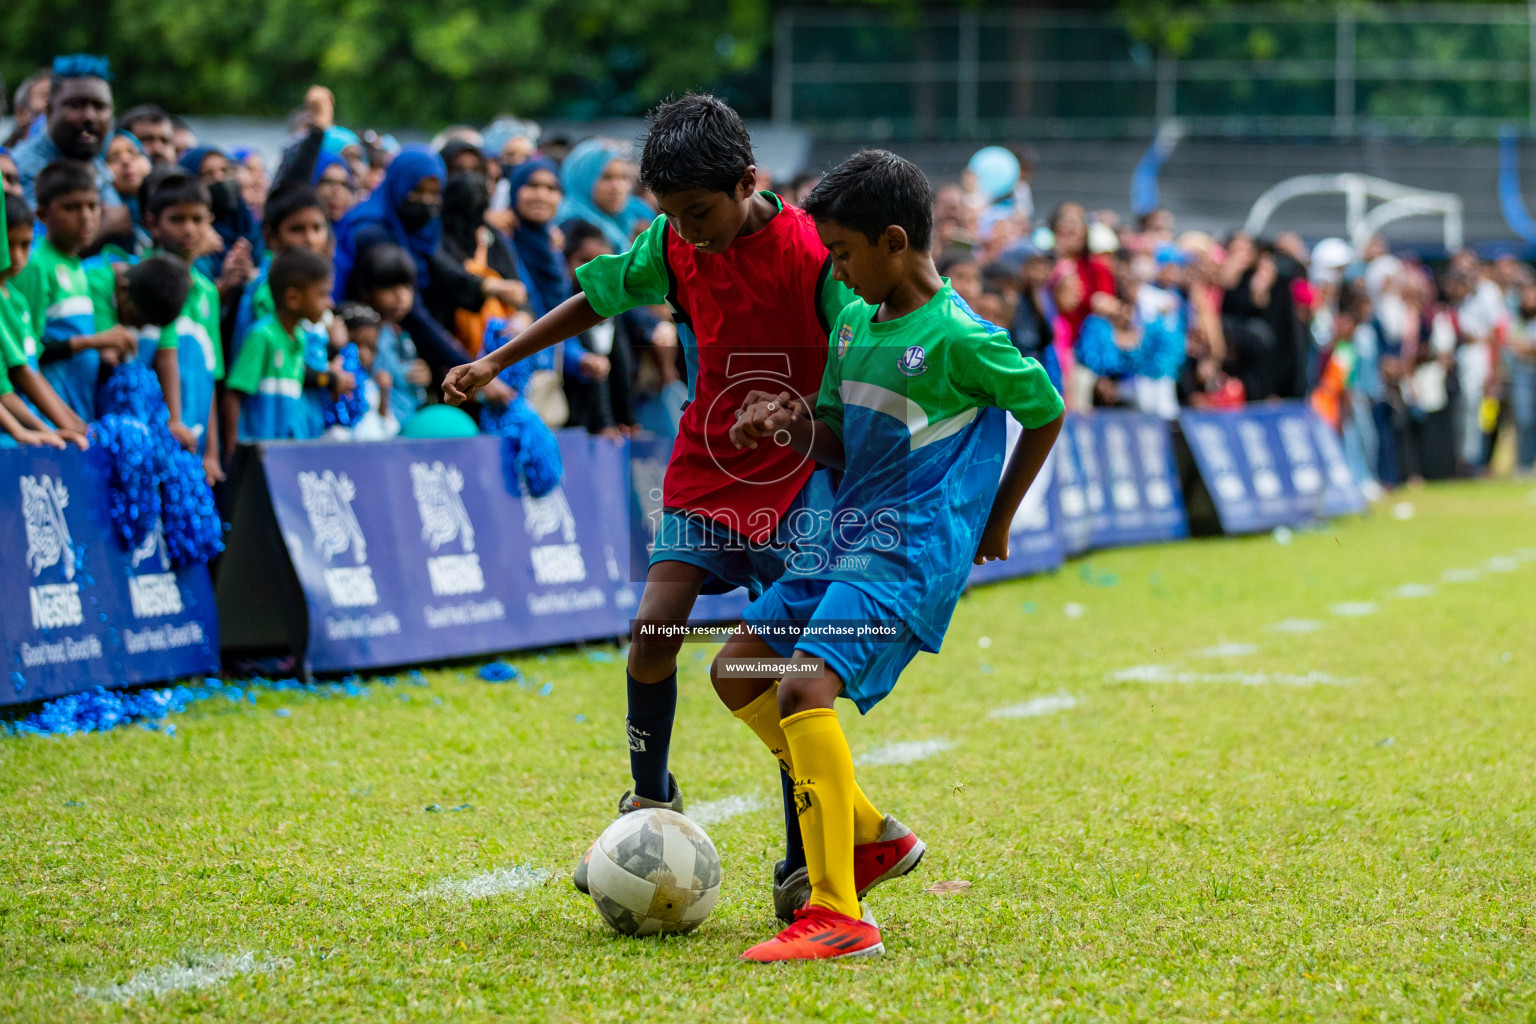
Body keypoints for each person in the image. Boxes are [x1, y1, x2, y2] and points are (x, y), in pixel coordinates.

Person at [442, 94, 856, 919]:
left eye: (700, 212)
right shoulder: (671, 242)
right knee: (652, 632)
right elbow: (596, 298)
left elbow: (860, 351)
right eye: (671, 215)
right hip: (706, 462)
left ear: (748, 181)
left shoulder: (814, 251)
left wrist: (819, 425)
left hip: (797, 470)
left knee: (777, 668)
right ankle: (648, 799)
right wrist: (496, 360)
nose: (688, 232)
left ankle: (805, 856)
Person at [719, 150, 1065, 961]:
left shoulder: (959, 337)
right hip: (845, 538)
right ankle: (870, 833)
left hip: (909, 549)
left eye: (841, 252)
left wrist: (997, 518)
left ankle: (840, 913)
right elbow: (836, 438)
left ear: (896, 241)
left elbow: (1044, 410)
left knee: (805, 685)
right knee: (737, 668)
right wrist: (786, 420)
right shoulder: (850, 322)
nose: (834, 268)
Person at [332, 145, 521, 383]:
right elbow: (413, 313)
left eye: (434, 194)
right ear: (399, 185)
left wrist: (487, 287)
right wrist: (468, 366)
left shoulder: (421, 232)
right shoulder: (371, 231)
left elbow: (441, 268)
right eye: (417, 191)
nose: (426, 201)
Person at [12, 160, 139, 421]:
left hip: (77, 415)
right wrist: (95, 341)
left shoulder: (77, 267)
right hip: (46, 420)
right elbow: (25, 353)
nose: (86, 217)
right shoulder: (35, 265)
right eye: (71, 208)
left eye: (92, 206)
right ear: (43, 215)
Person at [138, 170, 226, 481]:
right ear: (153, 222)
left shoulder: (207, 292)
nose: (189, 229)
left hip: (194, 443)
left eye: (197, 219)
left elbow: (212, 374)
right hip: (149, 441)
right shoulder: (140, 281)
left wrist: (212, 454)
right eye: (177, 219)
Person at [222, 247, 343, 448]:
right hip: (257, 455)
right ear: (293, 298)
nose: (329, 303)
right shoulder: (262, 336)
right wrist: (233, 451)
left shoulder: (300, 339)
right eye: (322, 294)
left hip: (283, 456)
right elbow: (233, 395)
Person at [11, 56, 132, 248]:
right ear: (50, 111)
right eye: (76, 105)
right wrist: (106, 226)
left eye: (100, 106)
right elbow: (30, 253)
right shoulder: (21, 170)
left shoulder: (92, 160)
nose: (90, 116)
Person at [0, 195, 70, 448]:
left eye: (25, 245)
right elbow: (16, 378)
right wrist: (22, 431)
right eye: (8, 245)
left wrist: (64, 426)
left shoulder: (16, 300)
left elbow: (29, 370)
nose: (17, 257)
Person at [350, 243, 429, 425]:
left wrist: (424, 376)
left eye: (406, 286)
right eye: (389, 287)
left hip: (409, 421)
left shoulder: (402, 335)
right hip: (382, 426)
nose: (401, 295)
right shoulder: (365, 335)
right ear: (366, 292)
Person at [557, 138, 647, 253]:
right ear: (583, 180)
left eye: (623, 177)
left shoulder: (625, 222)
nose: (617, 187)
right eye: (606, 177)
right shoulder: (571, 229)